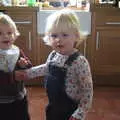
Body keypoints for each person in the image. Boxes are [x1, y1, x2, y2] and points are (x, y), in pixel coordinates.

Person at [16, 8, 93, 120]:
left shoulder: (80, 62)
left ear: (76, 36)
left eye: (64, 35)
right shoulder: (53, 55)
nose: (58, 40)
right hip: (53, 107)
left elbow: (87, 90)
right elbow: (46, 68)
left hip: (71, 110)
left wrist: (80, 112)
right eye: (54, 35)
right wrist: (27, 73)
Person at [0, 13, 32, 120]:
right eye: (0, 33)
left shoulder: (16, 50)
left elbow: (28, 65)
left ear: (15, 34)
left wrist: (24, 64)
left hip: (20, 96)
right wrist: (12, 76)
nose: (6, 36)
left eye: (9, 33)